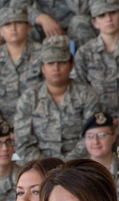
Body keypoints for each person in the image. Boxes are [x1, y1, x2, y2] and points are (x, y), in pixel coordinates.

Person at [14, 35, 100, 163]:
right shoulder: (29, 98)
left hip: (78, 165)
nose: (56, 68)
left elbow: (91, 136)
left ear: (71, 65)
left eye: (62, 62)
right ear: (43, 68)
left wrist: (67, 165)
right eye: (50, 63)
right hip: (39, 167)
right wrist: (45, 167)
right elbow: (23, 142)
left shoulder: (86, 94)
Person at [74, 0, 119, 116]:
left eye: (113, 13)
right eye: (102, 15)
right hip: (97, 123)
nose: (108, 19)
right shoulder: (84, 53)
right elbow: (81, 93)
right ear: (95, 22)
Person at [0, 5, 43, 125]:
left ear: (28, 27)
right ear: (1, 31)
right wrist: (2, 130)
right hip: (2, 129)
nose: (13, 28)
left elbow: (50, 96)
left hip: (37, 126)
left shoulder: (43, 55)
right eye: (7, 25)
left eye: (18, 23)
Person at [10, 0, 97, 46]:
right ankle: (35, 69)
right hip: (44, 27)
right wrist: (41, 18)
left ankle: (84, 67)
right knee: (26, 29)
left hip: (74, 25)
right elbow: (17, 7)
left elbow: (89, 8)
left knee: (81, 23)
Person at [82, 112, 119, 201]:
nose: (95, 141)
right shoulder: (77, 171)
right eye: (90, 136)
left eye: (101, 135)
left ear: (113, 137)